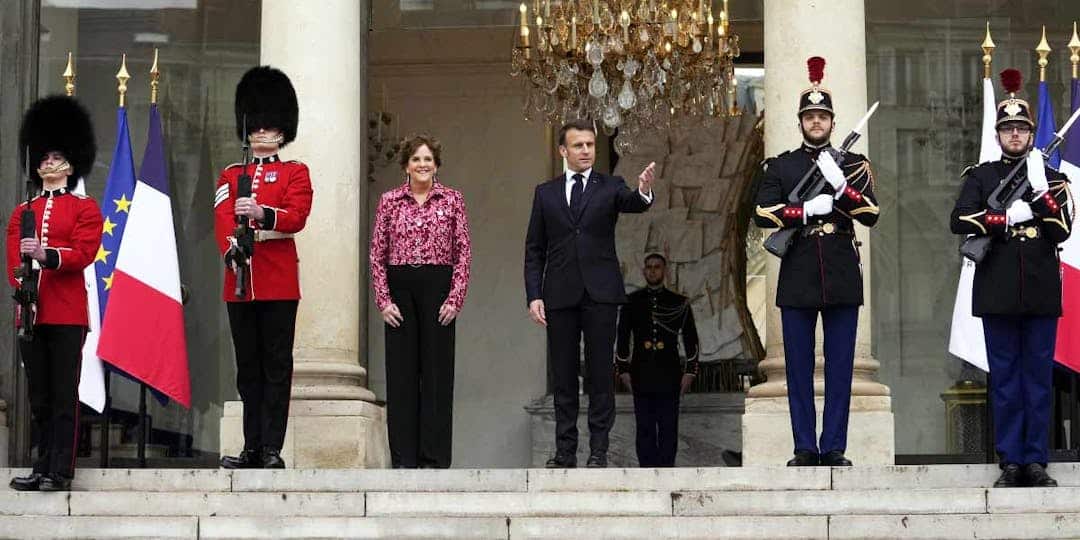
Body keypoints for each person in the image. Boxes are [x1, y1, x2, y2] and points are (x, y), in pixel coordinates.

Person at [752, 56, 879, 467]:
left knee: (841, 368)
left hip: (841, 268)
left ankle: (835, 447)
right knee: (799, 369)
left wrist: (843, 189)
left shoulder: (854, 166)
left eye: (823, 116)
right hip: (799, 269)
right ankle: (805, 446)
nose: (817, 122)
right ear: (800, 121)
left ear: (832, 121)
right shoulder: (782, 165)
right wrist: (804, 211)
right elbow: (762, 213)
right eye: (810, 116)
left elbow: (872, 215)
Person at [950, 68, 1071, 488]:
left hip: (1039, 289)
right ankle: (1011, 460)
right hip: (997, 289)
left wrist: (1039, 194)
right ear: (998, 134)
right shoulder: (981, 176)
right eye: (1008, 129)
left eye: (1022, 129)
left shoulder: (1051, 177)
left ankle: (1036, 460)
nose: (1015, 135)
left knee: (1037, 379)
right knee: (1004, 378)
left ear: (1031, 134)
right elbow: (958, 219)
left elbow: (1062, 230)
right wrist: (1002, 218)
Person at [524, 119, 657, 468]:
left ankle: (599, 451)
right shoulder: (545, 192)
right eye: (578, 145)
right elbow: (534, 249)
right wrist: (533, 295)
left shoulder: (610, 185)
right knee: (564, 376)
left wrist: (644, 190)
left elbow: (634, 202)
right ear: (563, 151)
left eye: (590, 145)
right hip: (559, 295)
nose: (585, 151)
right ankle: (565, 452)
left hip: (601, 293)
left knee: (600, 375)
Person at [216, 66, 313, 469]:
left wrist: (261, 213)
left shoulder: (295, 172)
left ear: (281, 132)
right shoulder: (231, 173)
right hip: (239, 281)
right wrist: (233, 248)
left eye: (268, 127)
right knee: (248, 369)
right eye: (254, 126)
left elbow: (297, 215)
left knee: (276, 367)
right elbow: (222, 216)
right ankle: (251, 445)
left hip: (277, 282)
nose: (260, 133)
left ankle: (272, 446)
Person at [7, 95, 103, 491]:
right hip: (32, 312)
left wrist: (46, 255)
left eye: (55, 156)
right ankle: (41, 464)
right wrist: (23, 280)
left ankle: (60, 469)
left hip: (66, 314)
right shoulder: (21, 210)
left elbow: (82, 253)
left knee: (65, 395)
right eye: (43, 157)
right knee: (40, 398)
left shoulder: (85, 209)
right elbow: (14, 257)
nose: (47, 163)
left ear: (70, 162)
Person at [370, 134, 471, 469]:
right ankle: (404, 457)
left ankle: (434, 457)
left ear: (436, 164)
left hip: (438, 287)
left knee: (437, 374)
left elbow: (463, 253)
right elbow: (377, 253)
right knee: (401, 376)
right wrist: (384, 300)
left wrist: (455, 298)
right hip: (400, 287)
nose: (422, 165)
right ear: (406, 166)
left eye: (428, 159)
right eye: (416, 159)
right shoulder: (389, 201)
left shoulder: (452, 200)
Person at [616, 253, 699, 467]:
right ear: (644, 271)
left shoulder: (678, 303)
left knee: (668, 427)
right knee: (644, 428)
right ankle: (646, 471)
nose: (653, 271)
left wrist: (690, 372)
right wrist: (623, 369)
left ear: (665, 271)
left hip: (669, 374)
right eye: (649, 267)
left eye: (657, 267)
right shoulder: (631, 302)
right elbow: (622, 337)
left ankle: (667, 472)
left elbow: (691, 339)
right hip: (641, 374)